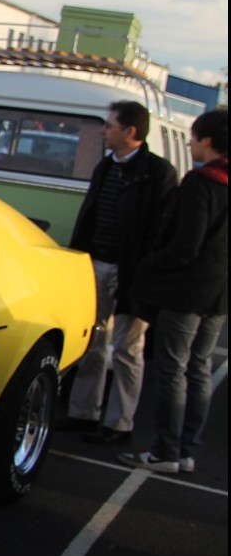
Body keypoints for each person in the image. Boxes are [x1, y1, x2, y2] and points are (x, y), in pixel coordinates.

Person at [61, 100, 179, 441]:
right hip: (96, 263)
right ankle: (83, 413)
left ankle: (119, 423)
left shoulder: (157, 173)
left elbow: (160, 229)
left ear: (130, 131)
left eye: (109, 125)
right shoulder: (106, 167)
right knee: (93, 340)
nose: (103, 131)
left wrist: (145, 273)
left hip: (131, 271)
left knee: (128, 348)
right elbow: (91, 214)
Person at [120, 108, 228, 473]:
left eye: (194, 138)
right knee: (200, 368)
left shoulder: (201, 183)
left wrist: (149, 263)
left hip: (187, 292)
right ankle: (186, 450)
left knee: (172, 369)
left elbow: (185, 245)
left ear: (207, 141)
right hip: (219, 294)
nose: (191, 145)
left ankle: (165, 450)